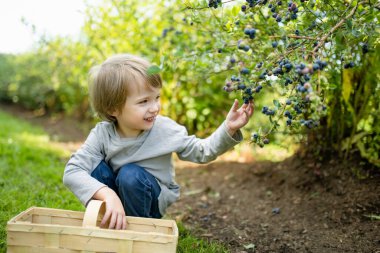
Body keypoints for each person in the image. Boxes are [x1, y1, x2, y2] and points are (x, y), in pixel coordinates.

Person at [63, 54, 254, 230]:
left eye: (157, 98)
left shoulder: (164, 129)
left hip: (150, 198)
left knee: (130, 175)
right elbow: (72, 172)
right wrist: (107, 194)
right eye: (144, 101)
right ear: (113, 109)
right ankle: (111, 223)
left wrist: (228, 128)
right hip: (116, 198)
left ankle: (139, 232)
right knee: (95, 169)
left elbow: (202, 150)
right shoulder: (102, 134)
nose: (155, 107)